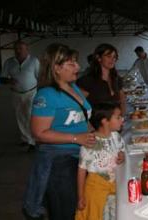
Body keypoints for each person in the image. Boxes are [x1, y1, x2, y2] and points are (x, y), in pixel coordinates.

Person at [22, 43, 96, 220]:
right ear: (56, 68)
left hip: (80, 155)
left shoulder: (73, 87)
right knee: (65, 210)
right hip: (60, 161)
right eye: (71, 64)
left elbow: (81, 120)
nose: (77, 67)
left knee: (79, 206)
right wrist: (76, 138)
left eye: (76, 62)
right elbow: (38, 133)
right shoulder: (46, 95)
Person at [75, 103, 125, 220]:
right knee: (98, 215)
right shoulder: (89, 143)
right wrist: (81, 196)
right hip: (95, 191)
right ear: (104, 121)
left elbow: (122, 151)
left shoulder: (116, 136)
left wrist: (122, 155)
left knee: (115, 215)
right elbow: (81, 171)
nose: (122, 120)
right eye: (118, 117)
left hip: (114, 187)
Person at [2, 41, 40, 151]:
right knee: (19, 116)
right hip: (16, 93)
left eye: (21, 49)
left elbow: (39, 77)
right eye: (16, 49)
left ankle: (33, 141)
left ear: (27, 49)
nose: (18, 51)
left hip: (31, 93)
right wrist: (9, 80)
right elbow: (2, 78)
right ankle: (25, 138)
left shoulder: (34, 61)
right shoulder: (9, 62)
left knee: (29, 115)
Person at [77, 44, 126, 115]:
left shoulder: (117, 79)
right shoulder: (87, 81)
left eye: (114, 57)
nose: (113, 59)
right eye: (109, 56)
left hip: (115, 123)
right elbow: (78, 106)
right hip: (95, 124)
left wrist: (122, 117)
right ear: (98, 58)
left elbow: (122, 100)